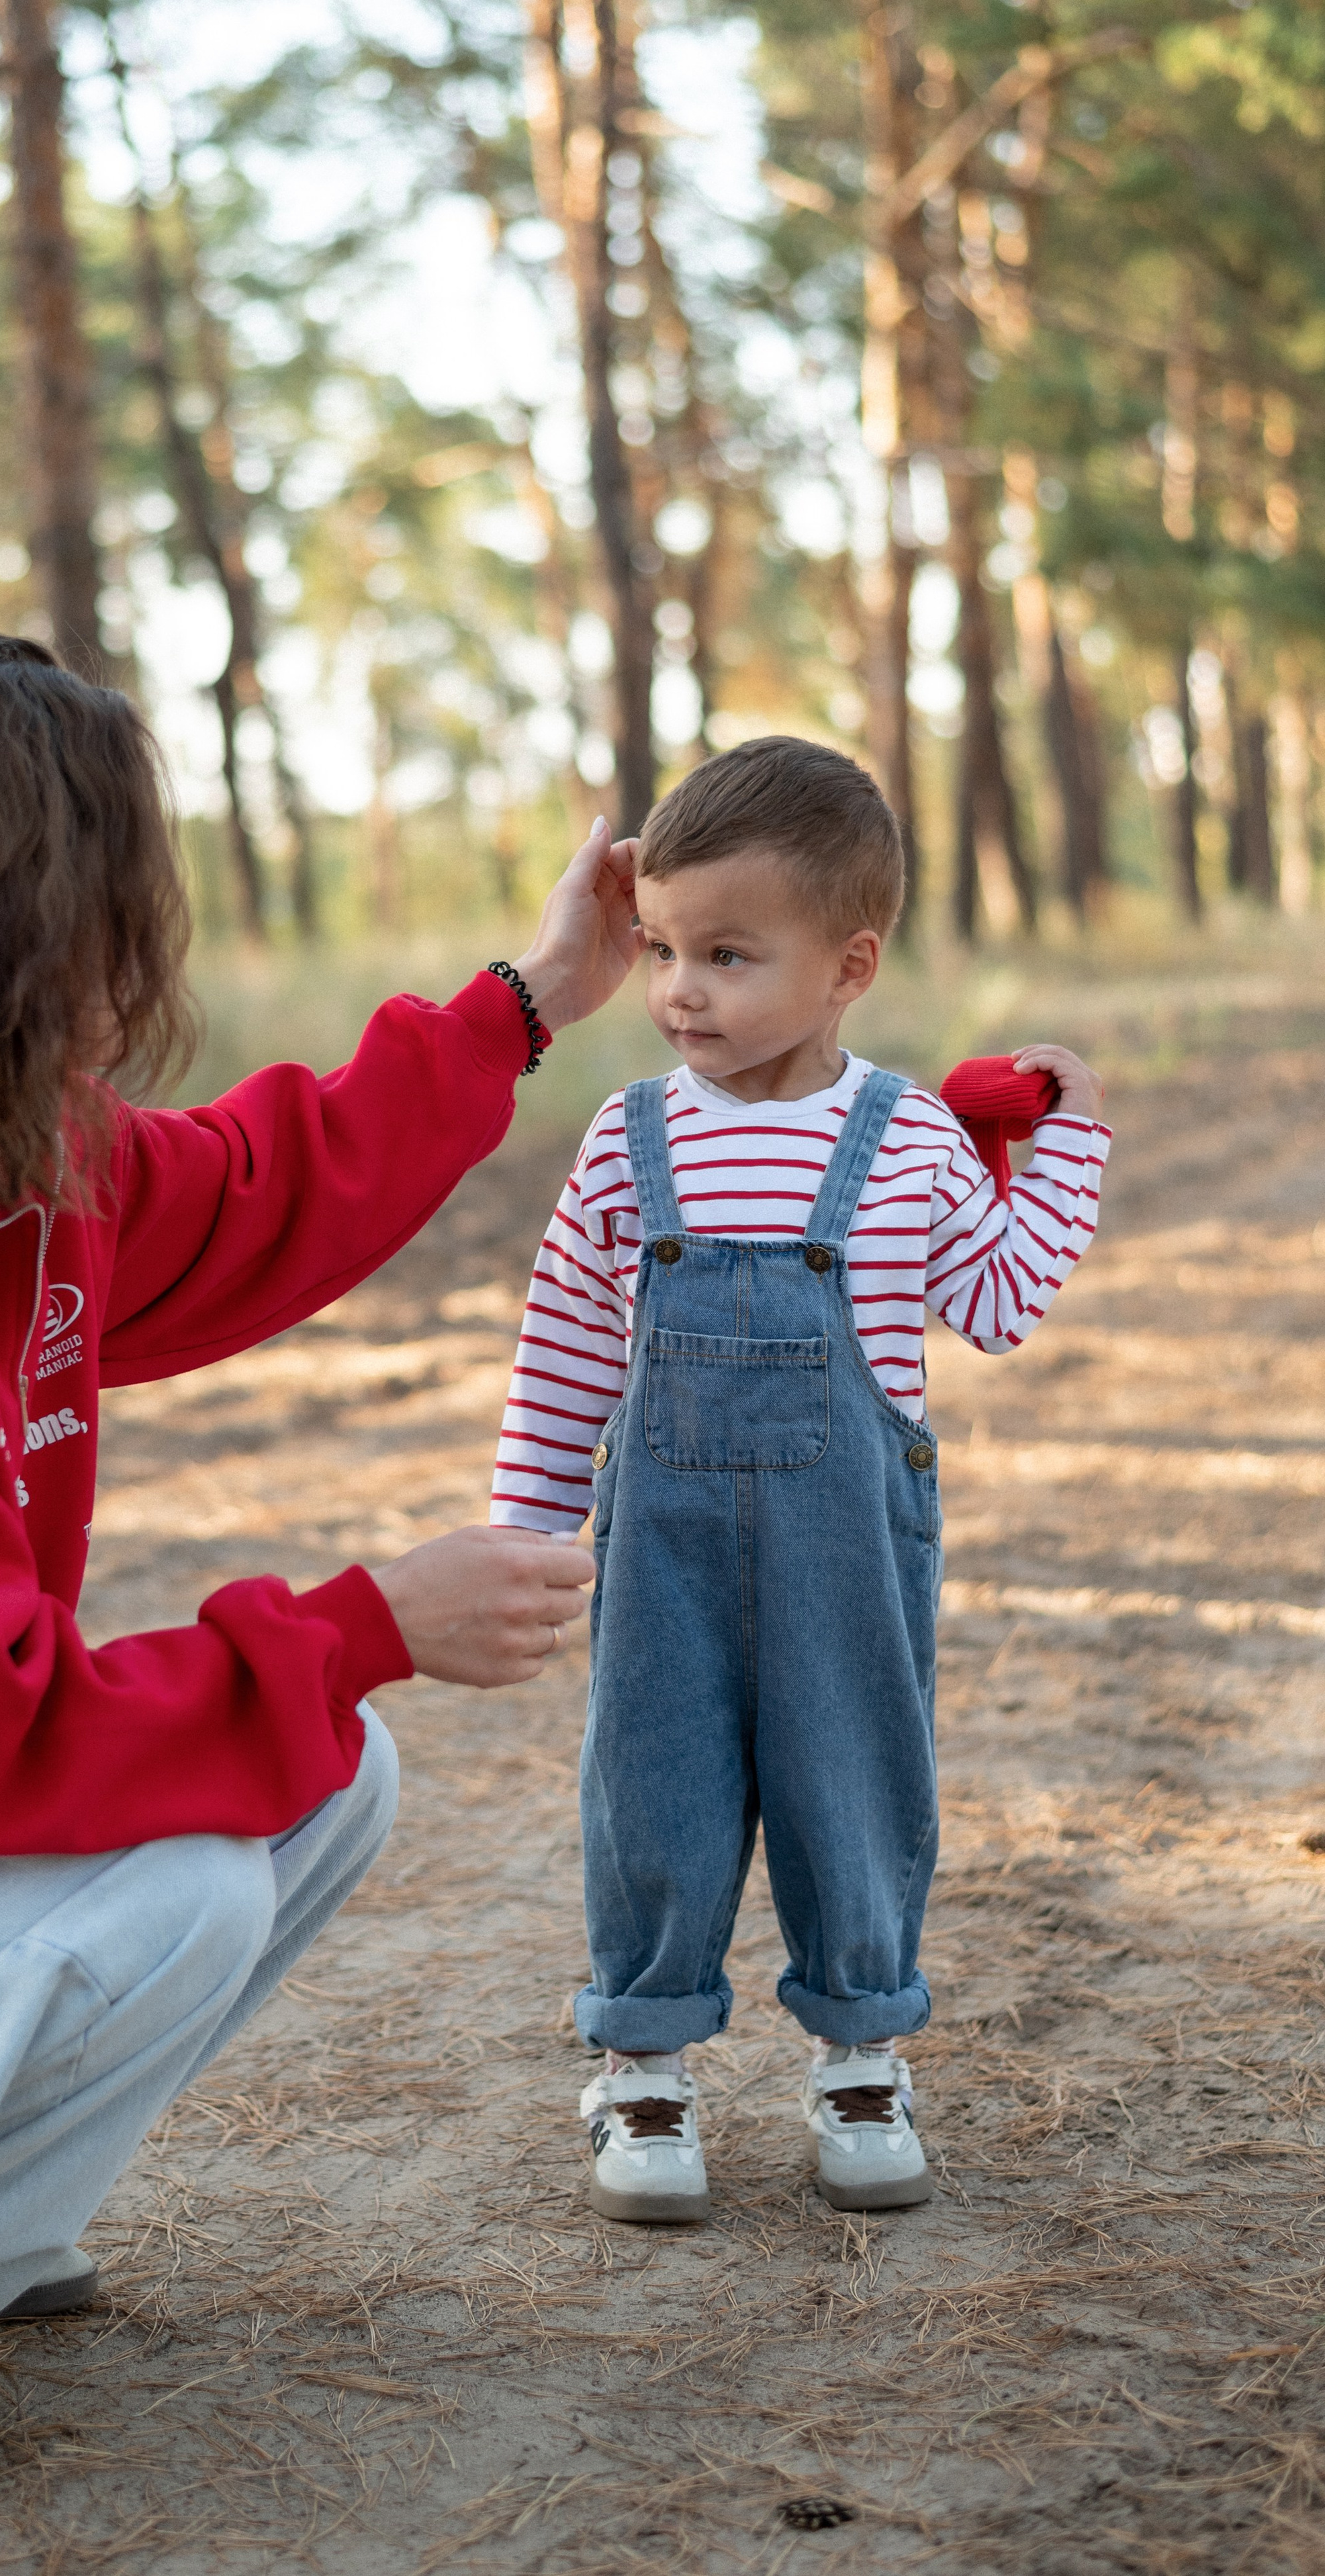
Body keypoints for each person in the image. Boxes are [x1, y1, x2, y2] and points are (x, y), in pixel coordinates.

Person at [0, 629, 641, 2505]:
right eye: (105, 902)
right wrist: (359, 1625)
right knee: (174, 1868)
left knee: (319, 1775)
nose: (134, 956)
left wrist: (532, 995)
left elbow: (263, 1180)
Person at [488, 736, 1111, 2224]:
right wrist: (524, 1528)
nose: (679, 991)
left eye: (725, 955)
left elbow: (999, 1300)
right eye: (659, 951)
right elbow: (567, 1338)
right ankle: (642, 2070)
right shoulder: (628, 1140)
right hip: (664, 1550)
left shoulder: (905, 1138)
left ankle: (857, 2056)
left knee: (851, 1781)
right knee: (653, 1785)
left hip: (848, 1544)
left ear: (846, 966)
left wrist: (1064, 1144)